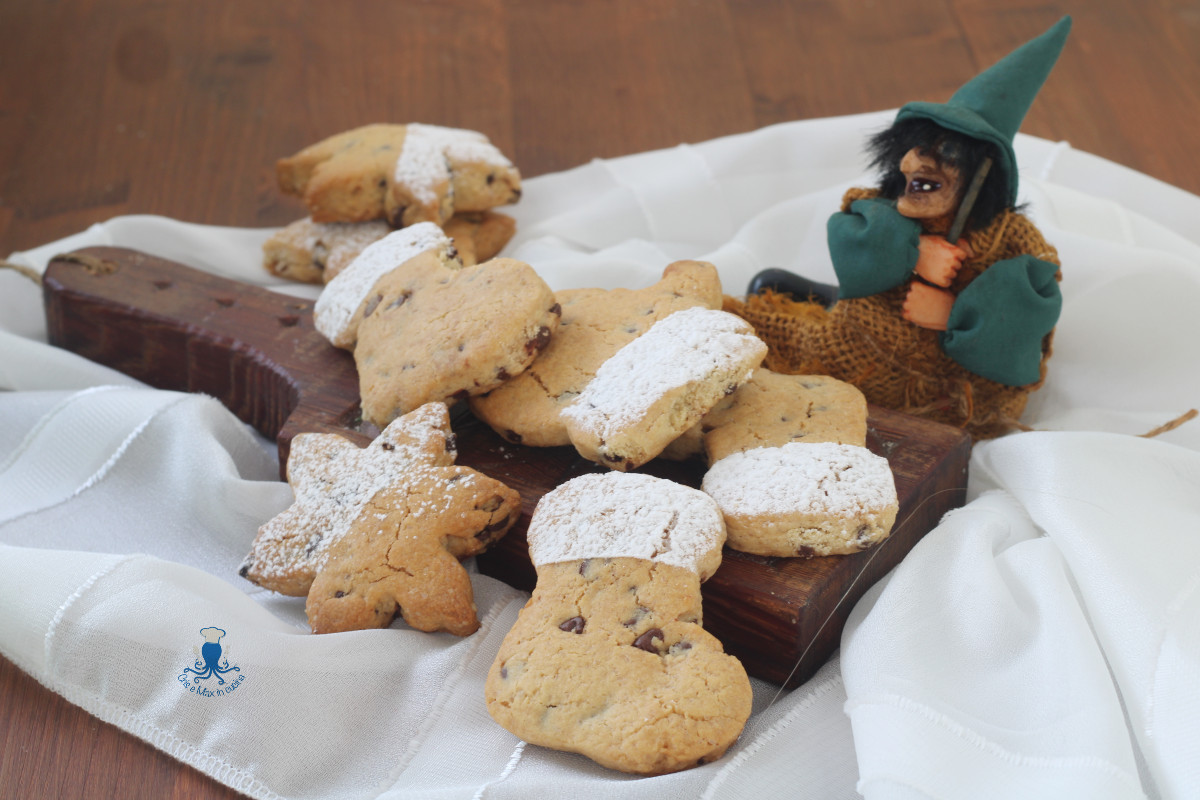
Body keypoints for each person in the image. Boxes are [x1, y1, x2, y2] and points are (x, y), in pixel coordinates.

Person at [742, 17, 1071, 439]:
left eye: (946, 151)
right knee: (766, 286)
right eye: (916, 147)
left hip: (929, 387)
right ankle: (823, 303)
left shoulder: (1013, 243)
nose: (917, 162)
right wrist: (914, 250)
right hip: (855, 336)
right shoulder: (888, 206)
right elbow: (851, 225)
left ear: (984, 174)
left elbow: (1030, 314)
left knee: (774, 320)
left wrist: (954, 315)